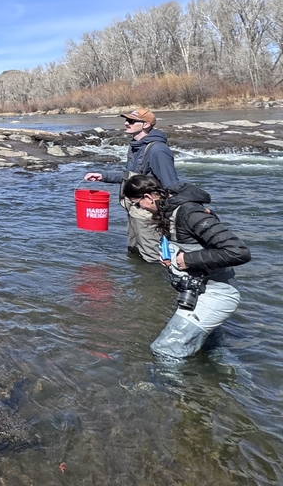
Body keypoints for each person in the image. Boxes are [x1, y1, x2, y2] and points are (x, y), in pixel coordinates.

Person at [123, 174, 250, 358]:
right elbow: (193, 245)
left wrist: (188, 260)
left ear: (148, 197)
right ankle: (224, 379)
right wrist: (171, 260)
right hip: (199, 292)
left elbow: (238, 251)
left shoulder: (189, 213)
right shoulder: (168, 212)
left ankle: (168, 388)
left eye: (137, 203)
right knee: (210, 353)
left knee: (165, 349)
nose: (139, 208)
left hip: (216, 295)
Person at [83, 109, 180, 263]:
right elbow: (131, 176)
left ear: (146, 124)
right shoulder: (135, 146)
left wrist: (172, 215)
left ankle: (157, 285)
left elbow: (172, 185)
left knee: (153, 258)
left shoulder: (157, 150)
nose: (126, 123)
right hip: (134, 210)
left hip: (149, 213)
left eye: (132, 121)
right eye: (127, 120)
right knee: (134, 253)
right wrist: (104, 176)